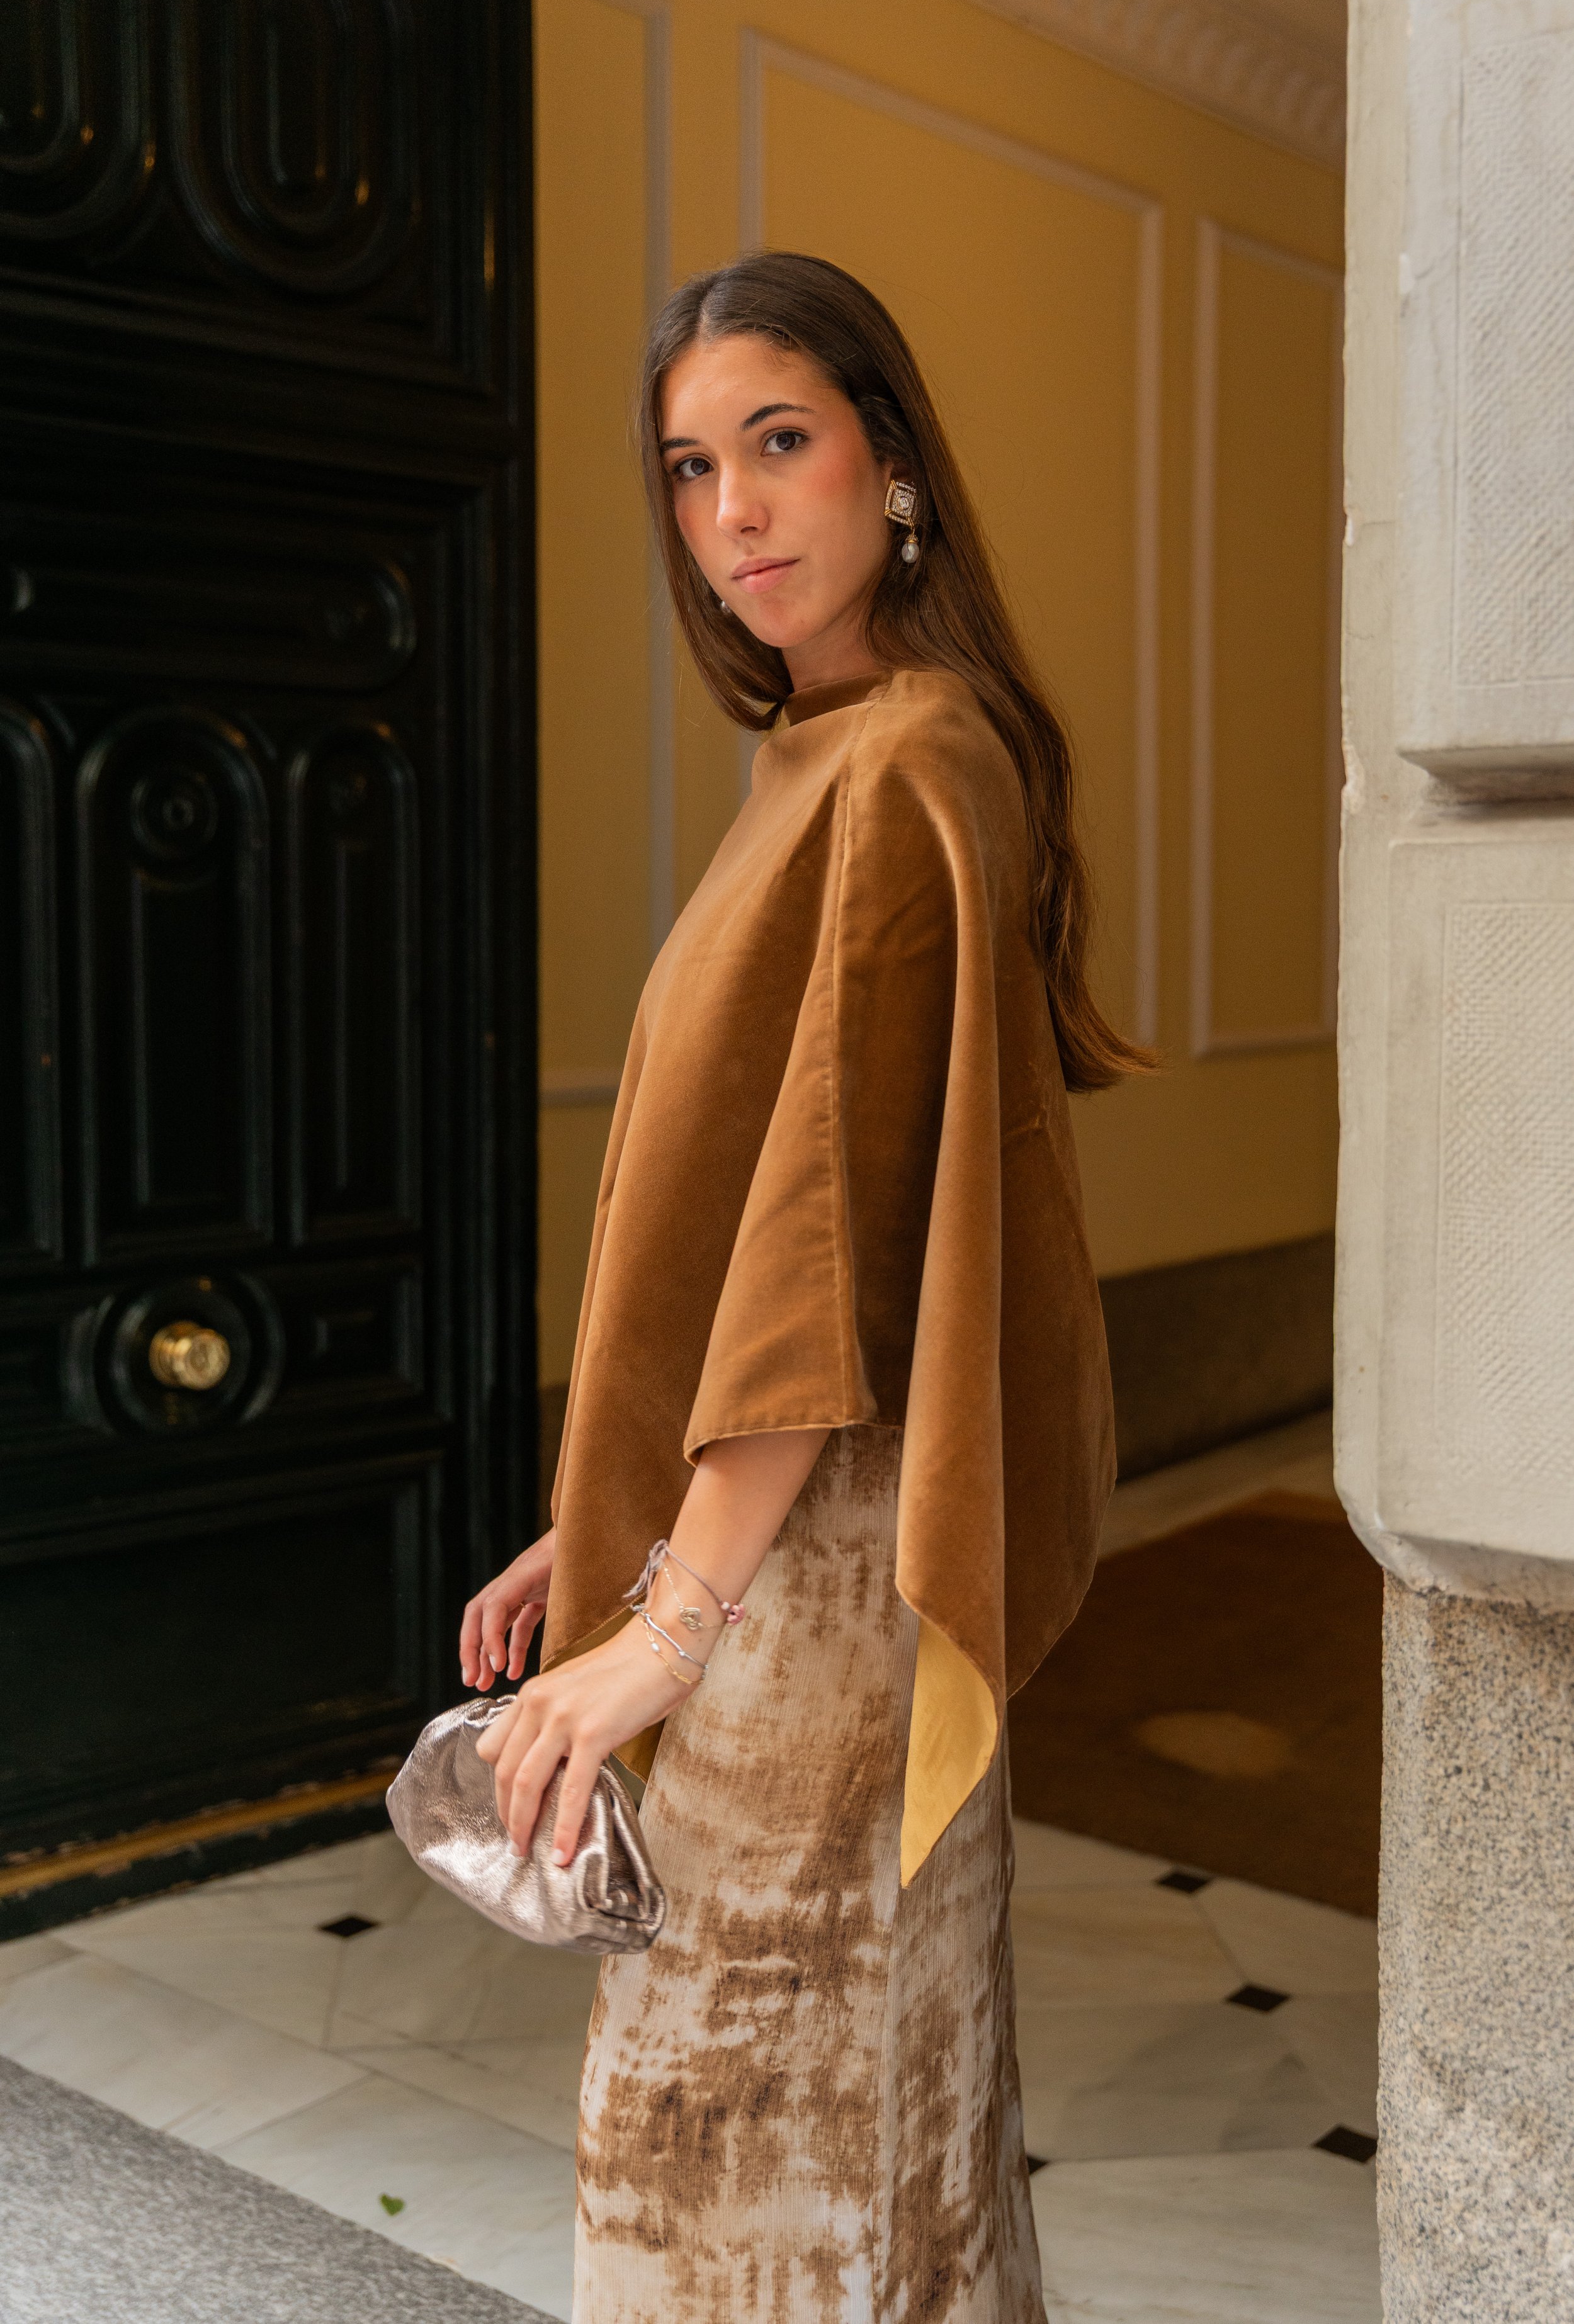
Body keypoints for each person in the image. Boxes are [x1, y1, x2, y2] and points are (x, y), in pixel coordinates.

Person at [458, 251, 1141, 2321]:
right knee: (860, 2139)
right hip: (782, 1555)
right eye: (689, 467)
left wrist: (661, 1630)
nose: (733, 511)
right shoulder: (836, 754)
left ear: (893, 464)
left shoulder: (910, 766)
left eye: (780, 443)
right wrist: (594, 1526)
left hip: (809, 1598)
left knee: (739, 2154)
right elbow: (769, 1203)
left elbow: (824, 1258)